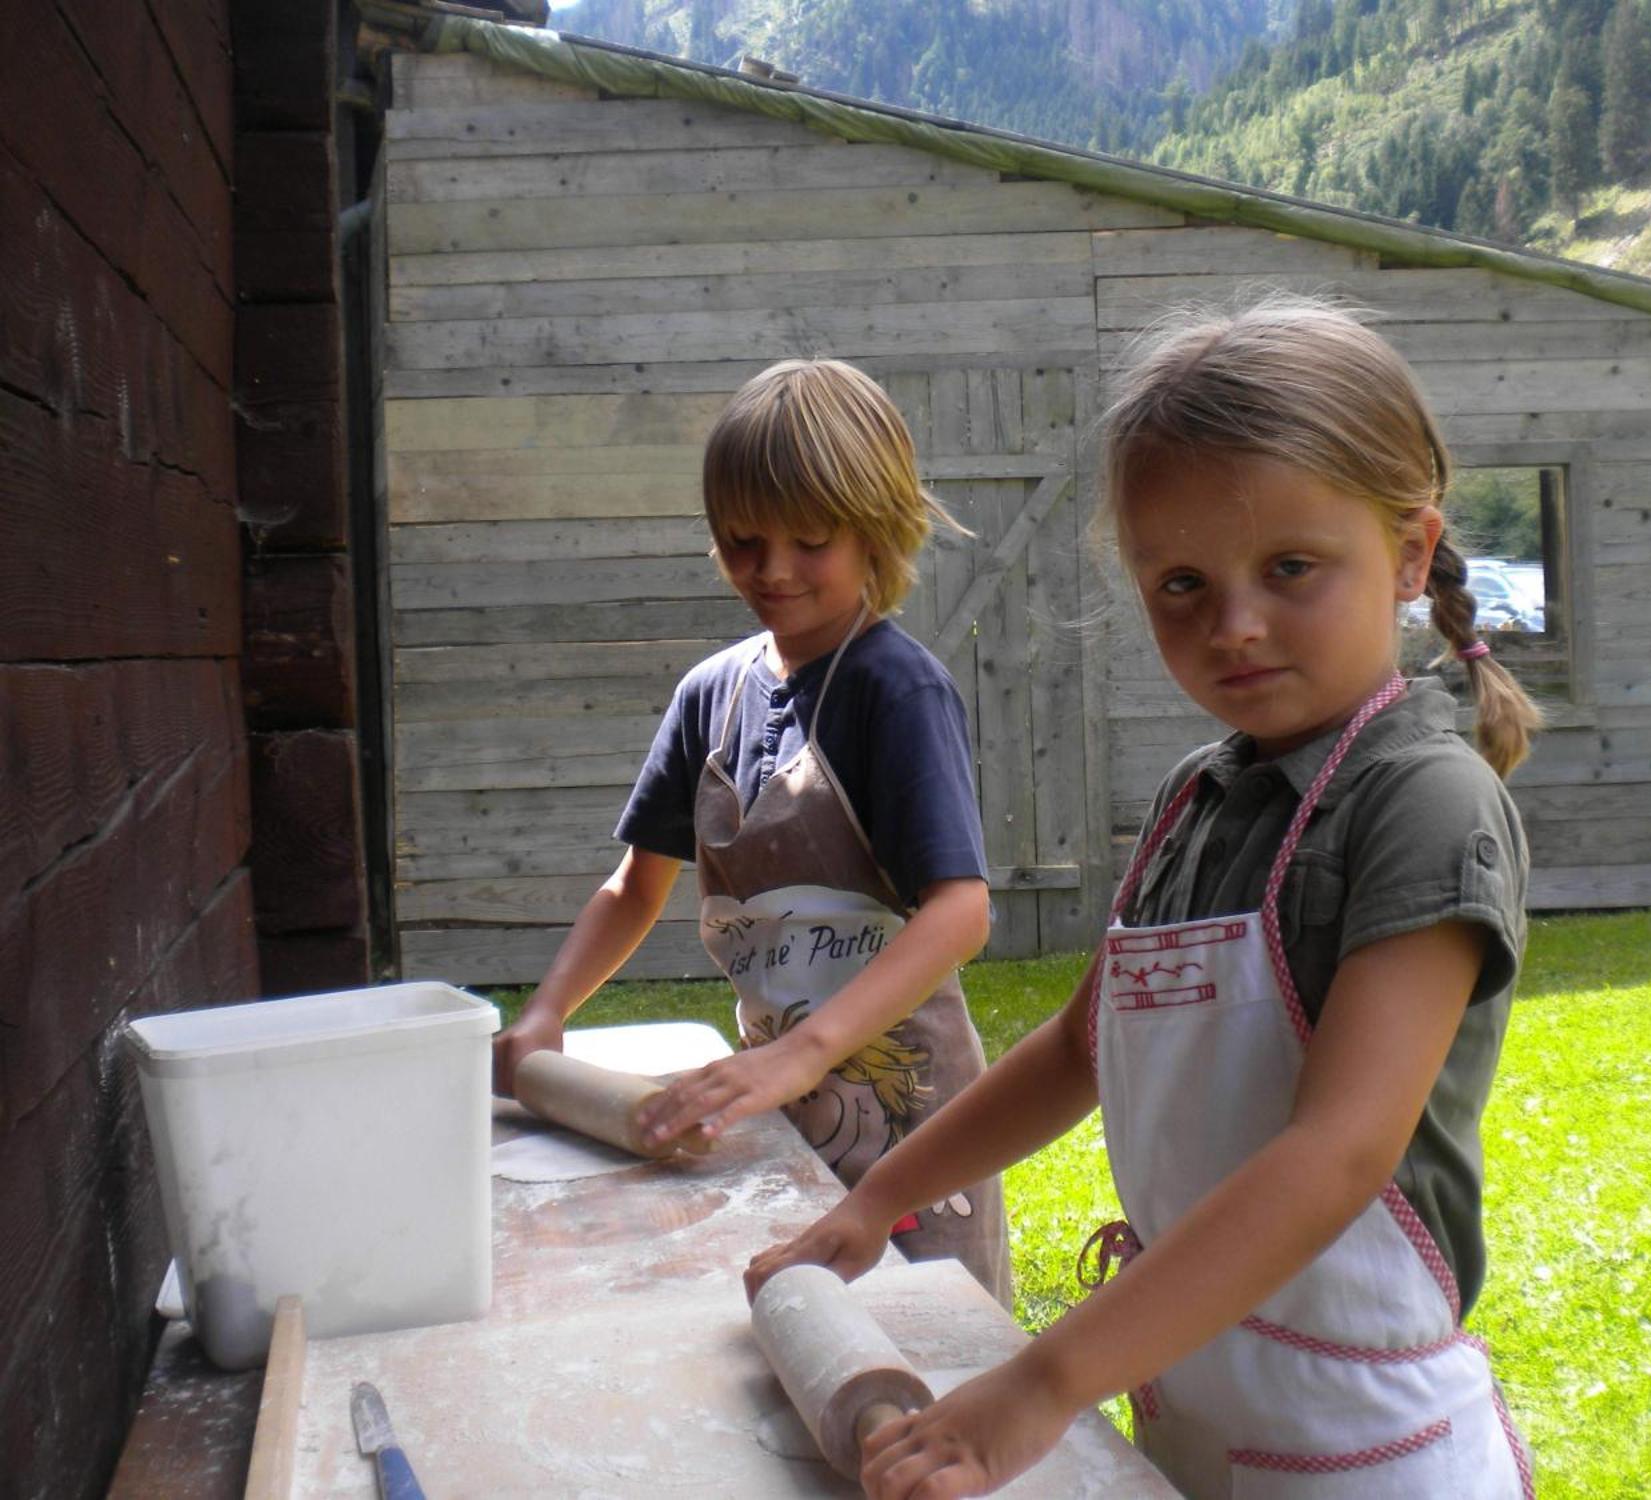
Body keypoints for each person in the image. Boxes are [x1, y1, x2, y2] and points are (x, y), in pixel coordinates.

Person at [744, 298, 1541, 1499]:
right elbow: (1080, 1045)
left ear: (1411, 553)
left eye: (1288, 568)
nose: (1234, 625)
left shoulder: (1421, 804)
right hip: (1189, 1401)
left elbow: (1334, 1158)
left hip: (1362, 1449)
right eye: (1178, 584)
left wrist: (1040, 1383)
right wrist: (883, 1198)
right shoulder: (1195, 799)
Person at [490, 358, 1009, 1301]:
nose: (771, 570)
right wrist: (546, 1013)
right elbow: (634, 887)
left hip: (915, 1124)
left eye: (810, 539)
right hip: (779, 1101)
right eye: (741, 540)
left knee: (927, 1360)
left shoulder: (894, 692)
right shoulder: (710, 697)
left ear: (877, 528)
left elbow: (960, 915)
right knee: (798, 1329)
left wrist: (801, 1051)